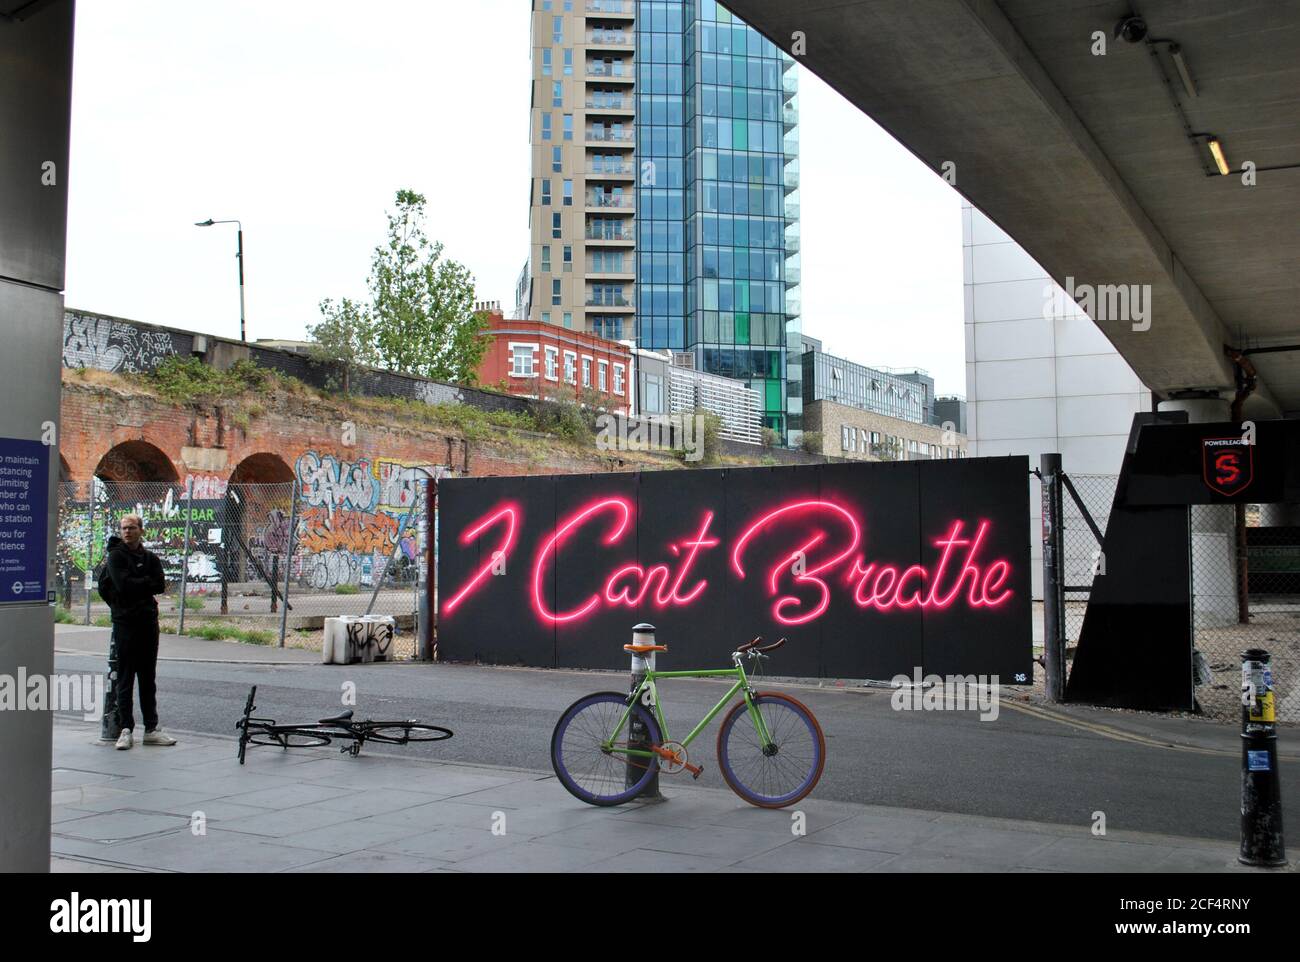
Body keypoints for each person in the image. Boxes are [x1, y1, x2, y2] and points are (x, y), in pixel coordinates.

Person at [105, 514, 177, 749]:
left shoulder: (151, 558)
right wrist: (143, 583)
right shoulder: (116, 557)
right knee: (125, 678)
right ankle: (126, 729)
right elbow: (122, 586)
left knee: (148, 678)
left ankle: (151, 728)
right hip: (125, 623)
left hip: (147, 622)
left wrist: (137, 583)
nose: (127, 532)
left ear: (141, 530)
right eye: (124, 528)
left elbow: (159, 585)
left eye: (132, 528)